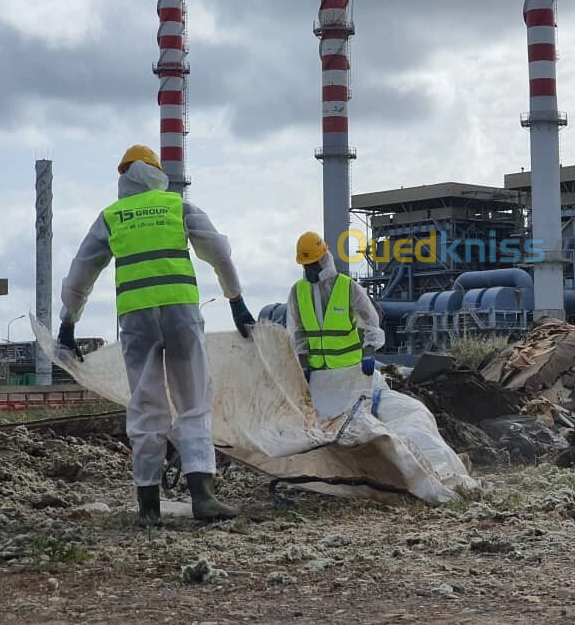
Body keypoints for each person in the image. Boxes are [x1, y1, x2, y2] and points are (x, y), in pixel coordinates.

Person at [56, 145, 255, 526]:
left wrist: (68, 323)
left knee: (146, 407)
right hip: (181, 313)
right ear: (156, 172)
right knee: (194, 401)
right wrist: (236, 300)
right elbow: (219, 251)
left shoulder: (112, 216)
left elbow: (81, 272)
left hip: (137, 320)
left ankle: (148, 505)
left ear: (124, 176)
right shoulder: (177, 206)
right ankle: (203, 498)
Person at [285, 231, 385, 391]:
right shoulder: (298, 291)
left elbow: (370, 321)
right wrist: (303, 362)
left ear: (324, 259)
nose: (310, 269)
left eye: (314, 263)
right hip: (317, 374)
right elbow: (297, 331)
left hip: (350, 371)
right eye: (306, 265)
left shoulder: (347, 286)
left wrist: (368, 351)